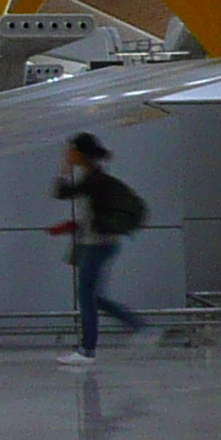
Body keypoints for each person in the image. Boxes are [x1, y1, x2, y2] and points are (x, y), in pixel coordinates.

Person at [49, 133, 149, 365]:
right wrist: (71, 227)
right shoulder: (94, 178)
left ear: (80, 153)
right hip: (96, 244)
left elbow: (61, 192)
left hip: (98, 246)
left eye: (71, 150)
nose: (68, 154)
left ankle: (89, 349)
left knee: (88, 297)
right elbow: (92, 215)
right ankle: (135, 327)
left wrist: (64, 167)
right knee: (94, 298)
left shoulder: (93, 179)